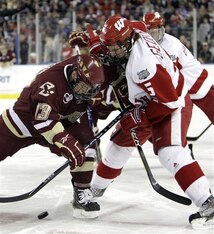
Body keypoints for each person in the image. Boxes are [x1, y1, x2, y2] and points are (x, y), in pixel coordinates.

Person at [88, 16, 214, 229]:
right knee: (119, 142)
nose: (112, 51)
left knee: (169, 151)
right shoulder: (134, 30)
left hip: (172, 101)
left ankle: (208, 204)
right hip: (148, 101)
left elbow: (170, 101)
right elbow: (131, 28)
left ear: (127, 41)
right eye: (110, 45)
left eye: (116, 46)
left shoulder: (144, 65)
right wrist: (97, 44)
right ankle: (95, 190)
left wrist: (139, 116)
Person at [0, 54, 105, 219]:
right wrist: (66, 141)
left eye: (91, 88)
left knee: (85, 146)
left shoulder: (84, 74)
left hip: (59, 122)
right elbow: (42, 120)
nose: (87, 92)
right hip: (22, 123)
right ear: (75, 75)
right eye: (84, 87)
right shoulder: (50, 81)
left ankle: (82, 193)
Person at [143, 12, 214, 124]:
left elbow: (166, 73)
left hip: (196, 81)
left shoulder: (170, 44)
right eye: (149, 29)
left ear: (161, 28)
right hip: (182, 86)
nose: (151, 32)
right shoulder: (148, 44)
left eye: (154, 29)